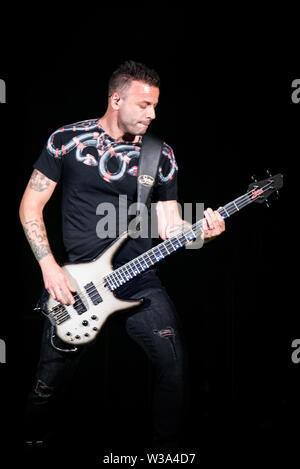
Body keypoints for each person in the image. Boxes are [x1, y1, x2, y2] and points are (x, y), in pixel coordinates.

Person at [19, 60, 225, 452]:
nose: (153, 114)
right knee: (47, 384)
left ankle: (165, 454)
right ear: (116, 99)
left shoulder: (159, 154)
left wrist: (204, 232)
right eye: (144, 105)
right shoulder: (66, 140)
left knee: (174, 366)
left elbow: (171, 227)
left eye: (155, 106)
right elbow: (30, 206)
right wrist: (49, 267)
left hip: (138, 278)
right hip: (76, 286)